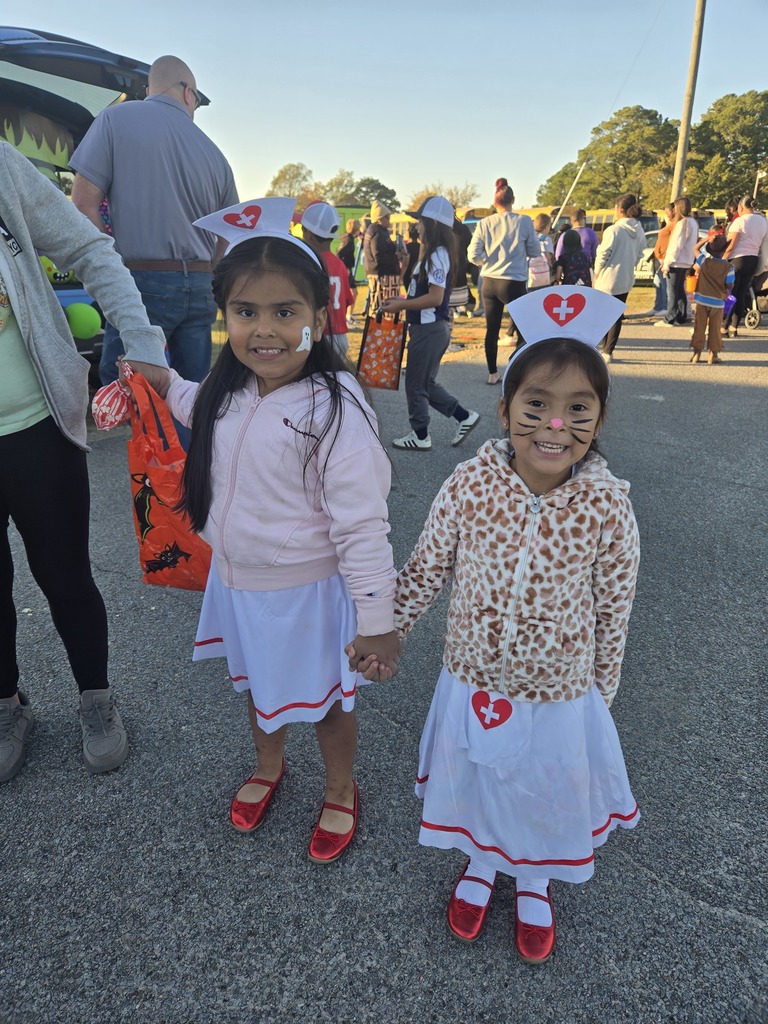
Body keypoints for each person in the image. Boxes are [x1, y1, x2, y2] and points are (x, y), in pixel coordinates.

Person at [351, 287, 640, 962]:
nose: (554, 426)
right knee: (479, 775)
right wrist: (383, 628)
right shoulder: (469, 486)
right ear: (505, 408)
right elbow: (425, 569)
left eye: (578, 409)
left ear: (599, 418)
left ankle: (534, 877)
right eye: (535, 404)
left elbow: (613, 606)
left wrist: (602, 692)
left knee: (541, 782)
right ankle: (481, 864)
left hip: (560, 690)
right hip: (474, 674)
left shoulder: (606, 507)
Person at [148, 197, 399, 862]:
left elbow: (363, 526)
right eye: (246, 312)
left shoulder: (336, 407)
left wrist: (377, 619)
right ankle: (268, 766)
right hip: (240, 585)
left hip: (308, 594)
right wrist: (159, 378)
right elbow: (195, 406)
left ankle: (341, 789)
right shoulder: (230, 386)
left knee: (327, 703)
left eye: (284, 312)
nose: (265, 331)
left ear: (319, 316)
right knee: (260, 683)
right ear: (224, 315)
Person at [0, 141, 170, 782]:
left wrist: (144, 338)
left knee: (65, 573)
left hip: (36, 422)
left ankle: (96, 698)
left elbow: (89, 247)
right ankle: (6, 704)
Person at [70, 54, 238, 387]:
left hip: (142, 279)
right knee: (190, 392)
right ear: (188, 93)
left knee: (129, 389)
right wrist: (213, 270)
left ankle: (141, 441)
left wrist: (111, 263)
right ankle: (186, 440)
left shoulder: (115, 120)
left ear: (151, 88)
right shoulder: (215, 152)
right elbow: (228, 232)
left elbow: (83, 202)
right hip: (202, 282)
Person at [379, 196, 479, 452]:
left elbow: (435, 298)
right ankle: (463, 416)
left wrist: (401, 305)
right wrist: (401, 300)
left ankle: (421, 435)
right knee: (426, 382)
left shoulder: (438, 254)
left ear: (432, 225)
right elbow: (424, 292)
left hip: (430, 328)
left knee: (415, 383)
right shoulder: (435, 253)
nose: (416, 227)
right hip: (429, 328)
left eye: (420, 222)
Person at [468, 178, 539, 384]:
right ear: (513, 200)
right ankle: (516, 366)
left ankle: (492, 373)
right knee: (523, 327)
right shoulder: (524, 221)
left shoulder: (484, 223)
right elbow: (534, 250)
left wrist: (483, 262)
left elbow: (472, 254)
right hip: (514, 280)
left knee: (492, 328)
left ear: (495, 202)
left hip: (489, 280)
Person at [594, 193, 646, 362]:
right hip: (626, 277)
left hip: (608, 277)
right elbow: (640, 254)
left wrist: (596, 272)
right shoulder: (639, 230)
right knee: (616, 315)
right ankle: (609, 351)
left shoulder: (613, 230)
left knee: (602, 314)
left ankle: (603, 347)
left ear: (620, 209)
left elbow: (603, 254)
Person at [299, 201, 354, 358]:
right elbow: (348, 300)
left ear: (309, 235)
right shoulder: (340, 264)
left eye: (303, 230)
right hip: (340, 336)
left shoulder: (309, 263)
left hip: (319, 336)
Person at [722, 196, 768, 337]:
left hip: (737, 260)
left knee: (730, 295)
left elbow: (731, 245)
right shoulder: (762, 221)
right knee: (740, 294)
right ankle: (734, 327)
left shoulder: (739, 222)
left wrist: (722, 259)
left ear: (740, 207)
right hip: (753, 260)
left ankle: (724, 326)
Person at [689, 233, 736, 364]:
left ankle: (696, 354)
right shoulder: (729, 267)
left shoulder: (704, 261)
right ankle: (712, 355)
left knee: (699, 326)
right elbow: (730, 284)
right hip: (718, 302)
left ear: (710, 249)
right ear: (725, 250)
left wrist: (705, 240)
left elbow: (695, 249)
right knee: (715, 329)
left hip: (702, 300)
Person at [655, 197, 698, 328]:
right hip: (686, 261)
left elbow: (676, 245)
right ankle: (681, 315)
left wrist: (667, 262)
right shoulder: (693, 222)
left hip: (676, 261)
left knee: (672, 290)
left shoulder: (682, 223)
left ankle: (670, 318)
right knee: (679, 290)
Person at [362, 199, 401, 313]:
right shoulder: (377, 233)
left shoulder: (379, 231)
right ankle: (378, 329)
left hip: (381, 274)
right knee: (381, 306)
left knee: (380, 304)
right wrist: (396, 257)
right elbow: (378, 256)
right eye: (387, 218)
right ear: (379, 219)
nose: (389, 221)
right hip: (381, 275)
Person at [651, 204, 676, 315]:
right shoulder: (668, 225)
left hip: (664, 259)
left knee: (665, 285)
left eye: (667, 213)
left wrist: (665, 258)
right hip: (658, 258)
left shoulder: (674, 225)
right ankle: (658, 305)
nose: (666, 216)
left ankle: (665, 306)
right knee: (658, 283)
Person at [337, 218, 361, 325]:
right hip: (345, 269)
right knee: (353, 292)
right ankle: (347, 315)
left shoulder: (347, 237)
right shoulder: (348, 240)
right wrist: (344, 268)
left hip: (347, 268)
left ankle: (348, 314)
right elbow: (339, 254)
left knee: (351, 292)